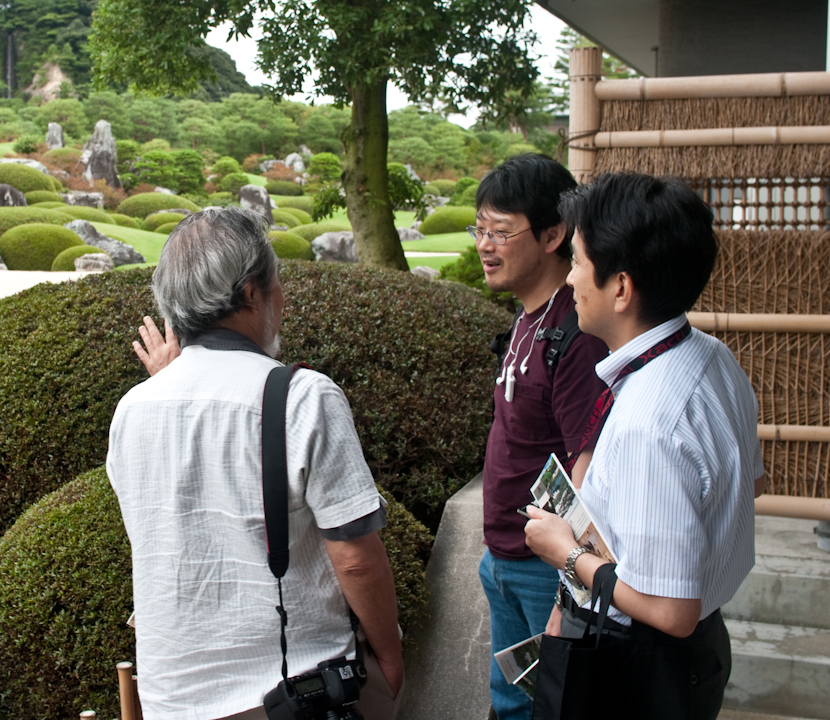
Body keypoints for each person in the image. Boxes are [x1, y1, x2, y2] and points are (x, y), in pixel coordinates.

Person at [107, 207, 404, 720]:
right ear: (250, 293)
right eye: (276, 285)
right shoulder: (303, 397)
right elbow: (355, 557)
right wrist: (392, 654)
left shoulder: (132, 409)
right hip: (292, 694)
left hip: (168, 699)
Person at [524, 172, 766, 720]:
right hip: (699, 650)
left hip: (641, 667)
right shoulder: (710, 355)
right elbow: (752, 483)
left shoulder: (648, 422)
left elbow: (670, 612)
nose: (569, 281)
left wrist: (568, 553)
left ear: (622, 288)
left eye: (579, 262)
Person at [472, 154, 609, 720]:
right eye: (480, 229)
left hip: (545, 571)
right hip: (502, 557)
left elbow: (592, 469)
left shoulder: (576, 340)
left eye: (501, 232)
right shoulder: (527, 319)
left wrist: (570, 583)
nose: (485, 245)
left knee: (552, 708)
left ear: (555, 234)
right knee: (511, 703)